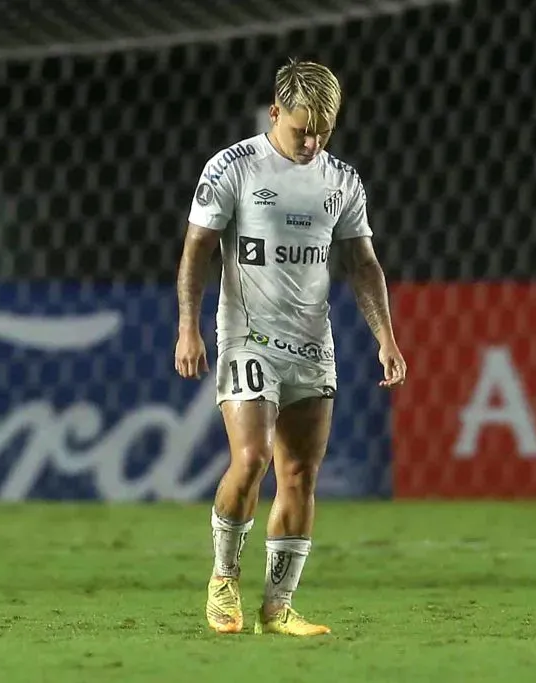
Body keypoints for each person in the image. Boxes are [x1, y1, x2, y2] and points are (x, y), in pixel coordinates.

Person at [174, 58, 407, 637]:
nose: (311, 141)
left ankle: (277, 607)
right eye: (301, 128)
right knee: (251, 459)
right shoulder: (233, 168)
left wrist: (386, 339)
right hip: (246, 337)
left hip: (311, 344)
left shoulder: (341, 182)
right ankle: (223, 579)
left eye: (323, 131)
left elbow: (362, 264)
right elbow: (197, 250)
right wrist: (188, 326)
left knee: (299, 472)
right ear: (275, 112)